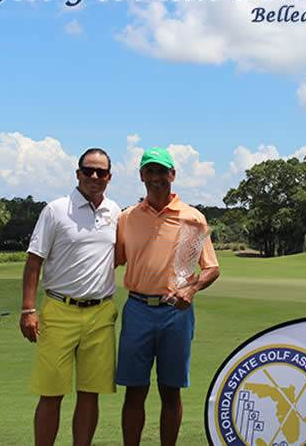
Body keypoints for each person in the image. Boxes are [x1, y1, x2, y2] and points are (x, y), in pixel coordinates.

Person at [115, 147, 220, 446]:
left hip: (175, 312)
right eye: (150, 171)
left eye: (162, 171)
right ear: (141, 176)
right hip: (137, 308)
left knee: (170, 390)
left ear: (173, 175)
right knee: (134, 390)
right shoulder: (128, 218)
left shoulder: (192, 218)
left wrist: (191, 287)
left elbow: (211, 268)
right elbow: (115, 259)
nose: (156, 178)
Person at [19, 148, 122, 446]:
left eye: (100, 172)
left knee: (90, 394)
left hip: (100, 313)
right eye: (88, 170)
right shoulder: (56, 210)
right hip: (59, 309)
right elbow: (34, 261)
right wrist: (28, 309)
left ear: (109, 177)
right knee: (51, 393)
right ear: (77, 173)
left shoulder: (115, 212)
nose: (94, 176)